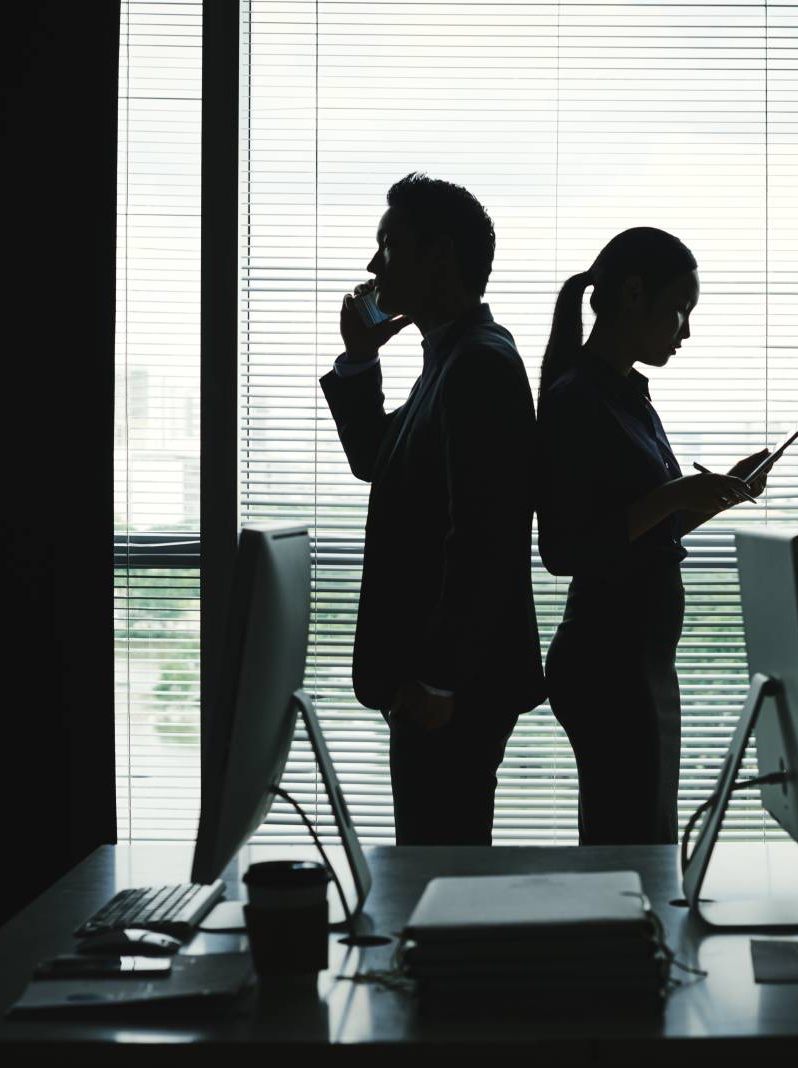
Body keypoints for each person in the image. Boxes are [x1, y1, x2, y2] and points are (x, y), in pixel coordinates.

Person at [321, 173, 544, 846]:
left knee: (441, 869)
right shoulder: (451, 357)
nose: (371, 265)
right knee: (436, 866)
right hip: (443, 681)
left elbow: (486, 536)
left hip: (453, 688)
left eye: (388, 246)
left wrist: (440, 679)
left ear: (439, 256)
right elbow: (376, 460)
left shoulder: (478, 362)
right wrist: (359, 361)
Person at [536, 227, 770, 845]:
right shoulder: (576, 400)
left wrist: (711, 497)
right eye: (681, 310)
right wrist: (672, 495)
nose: (685, 331)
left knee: (641, 840)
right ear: (634, 294)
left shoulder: (626, 394)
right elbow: (565, 550)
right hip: (608, 666)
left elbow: (642, 531)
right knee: (632, 848)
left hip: (637, 663)